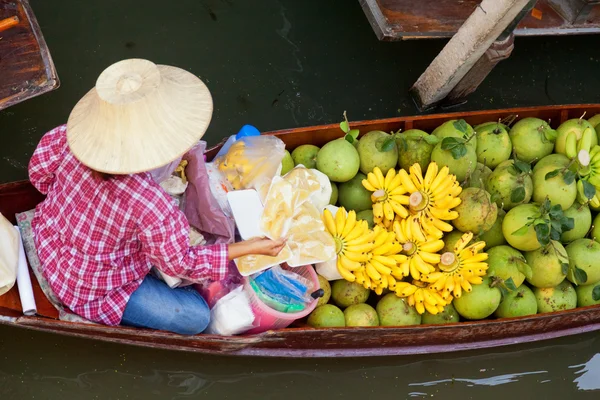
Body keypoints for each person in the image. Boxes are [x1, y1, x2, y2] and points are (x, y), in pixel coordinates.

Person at [28, 58, 286, 335]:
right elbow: (181, 264)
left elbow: (38, 176)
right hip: (91, 286)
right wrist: (251, 247)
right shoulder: (149, 204)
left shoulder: (64, 137)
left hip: (49, 239)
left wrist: (81, 207)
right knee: (196, 317)